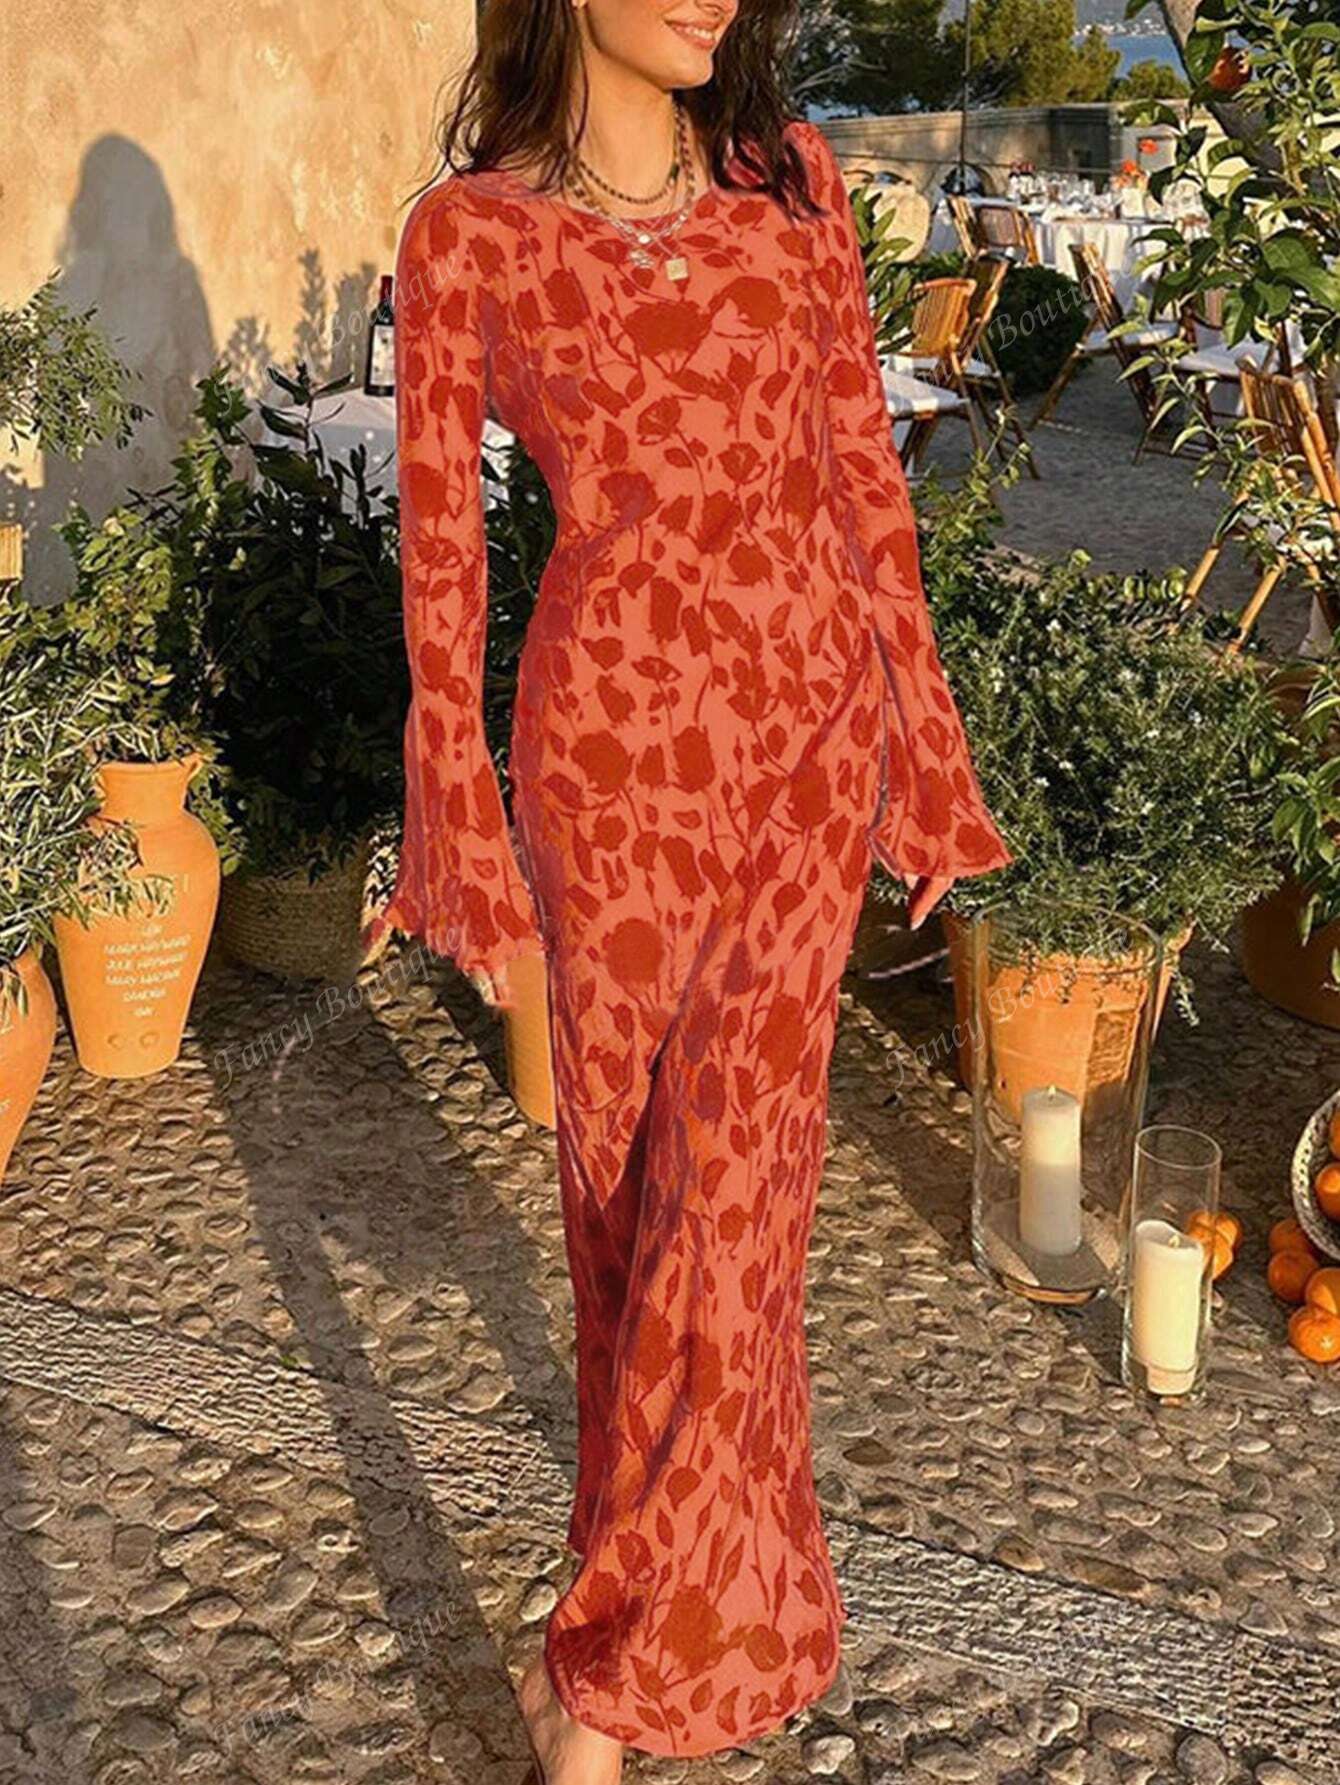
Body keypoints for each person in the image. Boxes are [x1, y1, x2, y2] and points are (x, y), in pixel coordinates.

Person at [366, 1, 1012, 1778]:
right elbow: (440, 564)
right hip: (611, 773)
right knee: (626, 1216)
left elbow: (864, 478)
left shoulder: (791, 181)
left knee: (732, 1204)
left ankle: (597, 1693)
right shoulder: (469, 233)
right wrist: (460, 814)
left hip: (804, 748)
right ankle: (664, 1613)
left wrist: (923, 743)